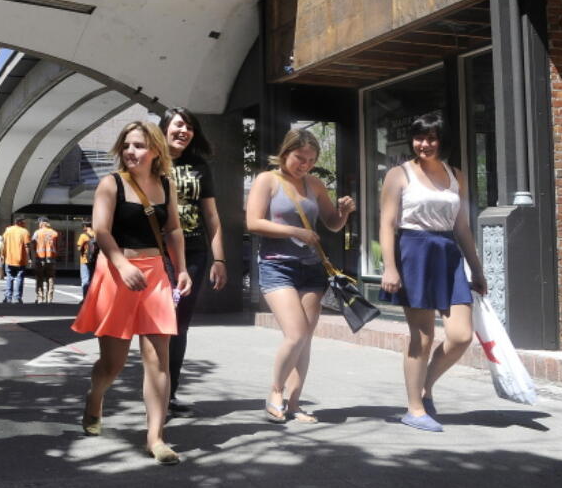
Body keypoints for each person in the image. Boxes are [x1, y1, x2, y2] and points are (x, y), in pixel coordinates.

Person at [72, 120, 192, 465]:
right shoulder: (111, 184)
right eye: (127, 145)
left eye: (139, 145)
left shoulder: (166, 185)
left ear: (156, 149)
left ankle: (156, 438)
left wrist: (181, 269)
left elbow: (173, 230)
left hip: (156, 275)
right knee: (114, 363)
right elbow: (101, 230)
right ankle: (95, 397)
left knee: (158, 359)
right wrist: (123, 265)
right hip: (116, 273)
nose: (131, 152)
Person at [379, 111, 487, 432]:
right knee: (422, 338)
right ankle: (414, 409)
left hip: (449, 254)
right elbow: (386, 223)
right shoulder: (399, 174)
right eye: (419, 137)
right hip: (414, 251)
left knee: (461, 336)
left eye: (431, 138)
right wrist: (389, 266)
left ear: (443, 140)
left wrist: (477, 270)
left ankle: (424, 387)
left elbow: (462, 226)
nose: (423, 144)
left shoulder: (457, 175)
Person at [246, 127, 354, 425]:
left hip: (311, 268)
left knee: (305, 339)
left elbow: (331, 223)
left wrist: (344, 213)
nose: (304, 164)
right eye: (299, 157)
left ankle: (294, 404)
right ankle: (275, 393)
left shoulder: (315, 184)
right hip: (276, 265)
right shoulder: (267, 180)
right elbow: (253, 222)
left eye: (310, 159)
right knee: (294, 334)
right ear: (284, 153)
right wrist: (295, 231)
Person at [161, 107, 226, 416]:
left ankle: (168, 392)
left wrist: (220, 258)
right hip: (157, 252)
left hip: (195, 252)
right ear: (163, 129)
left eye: (189, 126)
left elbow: (211, 215)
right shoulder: (150, 160)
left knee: (179, 324)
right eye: (178, 125)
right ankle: (155, 386)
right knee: (158, 321)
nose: (184, 130)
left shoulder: (199, 165)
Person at [1, 218, 32, 303]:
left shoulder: (8, 231)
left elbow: (3, 243)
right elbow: (27, 246)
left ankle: (8, 297)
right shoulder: (24, 232)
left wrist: (2, 255)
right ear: (20, 223)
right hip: (20, 259)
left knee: (9, 278)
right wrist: (29, 258)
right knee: (19, 278)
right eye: (24, 223)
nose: (25, 224)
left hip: (9, 258)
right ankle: (17, 298)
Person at [32, 218, 59, 303]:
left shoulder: (37, 232)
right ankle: (49, 299)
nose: (38, 224)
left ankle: (40, 298)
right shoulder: (54, 233)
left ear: (42, 223)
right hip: (51, 259)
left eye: (39, 223)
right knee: (50, 278)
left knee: (39, 278)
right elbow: (58, 246)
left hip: (40, 258)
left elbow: (33, 244)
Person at [76, 223, 96, 299]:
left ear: (85, 227)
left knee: (85, 280)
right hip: (94, 260)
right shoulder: (96, 235)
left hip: (85, 260)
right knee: (92, 280)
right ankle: (92, 298)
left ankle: (85, 299)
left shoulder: (83, 236)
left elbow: (79, 248)